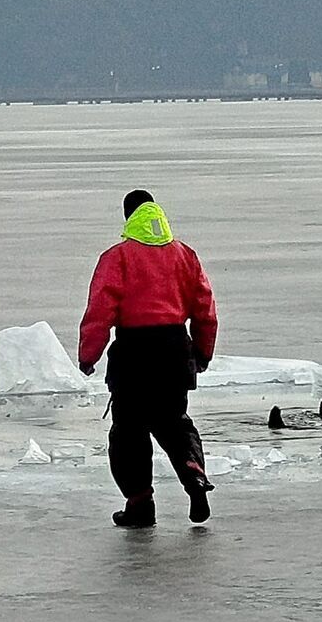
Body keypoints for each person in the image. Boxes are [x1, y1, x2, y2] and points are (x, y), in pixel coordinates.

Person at [79, 190, 219, 528]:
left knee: (129, 430)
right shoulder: (184, 255)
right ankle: (193, 473)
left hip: (134, 352)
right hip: (174, 349)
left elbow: (101, 308)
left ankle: (140, 504)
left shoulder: (118, 257)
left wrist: (89, 354)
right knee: (174, 421)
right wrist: (202, 351)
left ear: (129, 217)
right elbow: (205, 308)